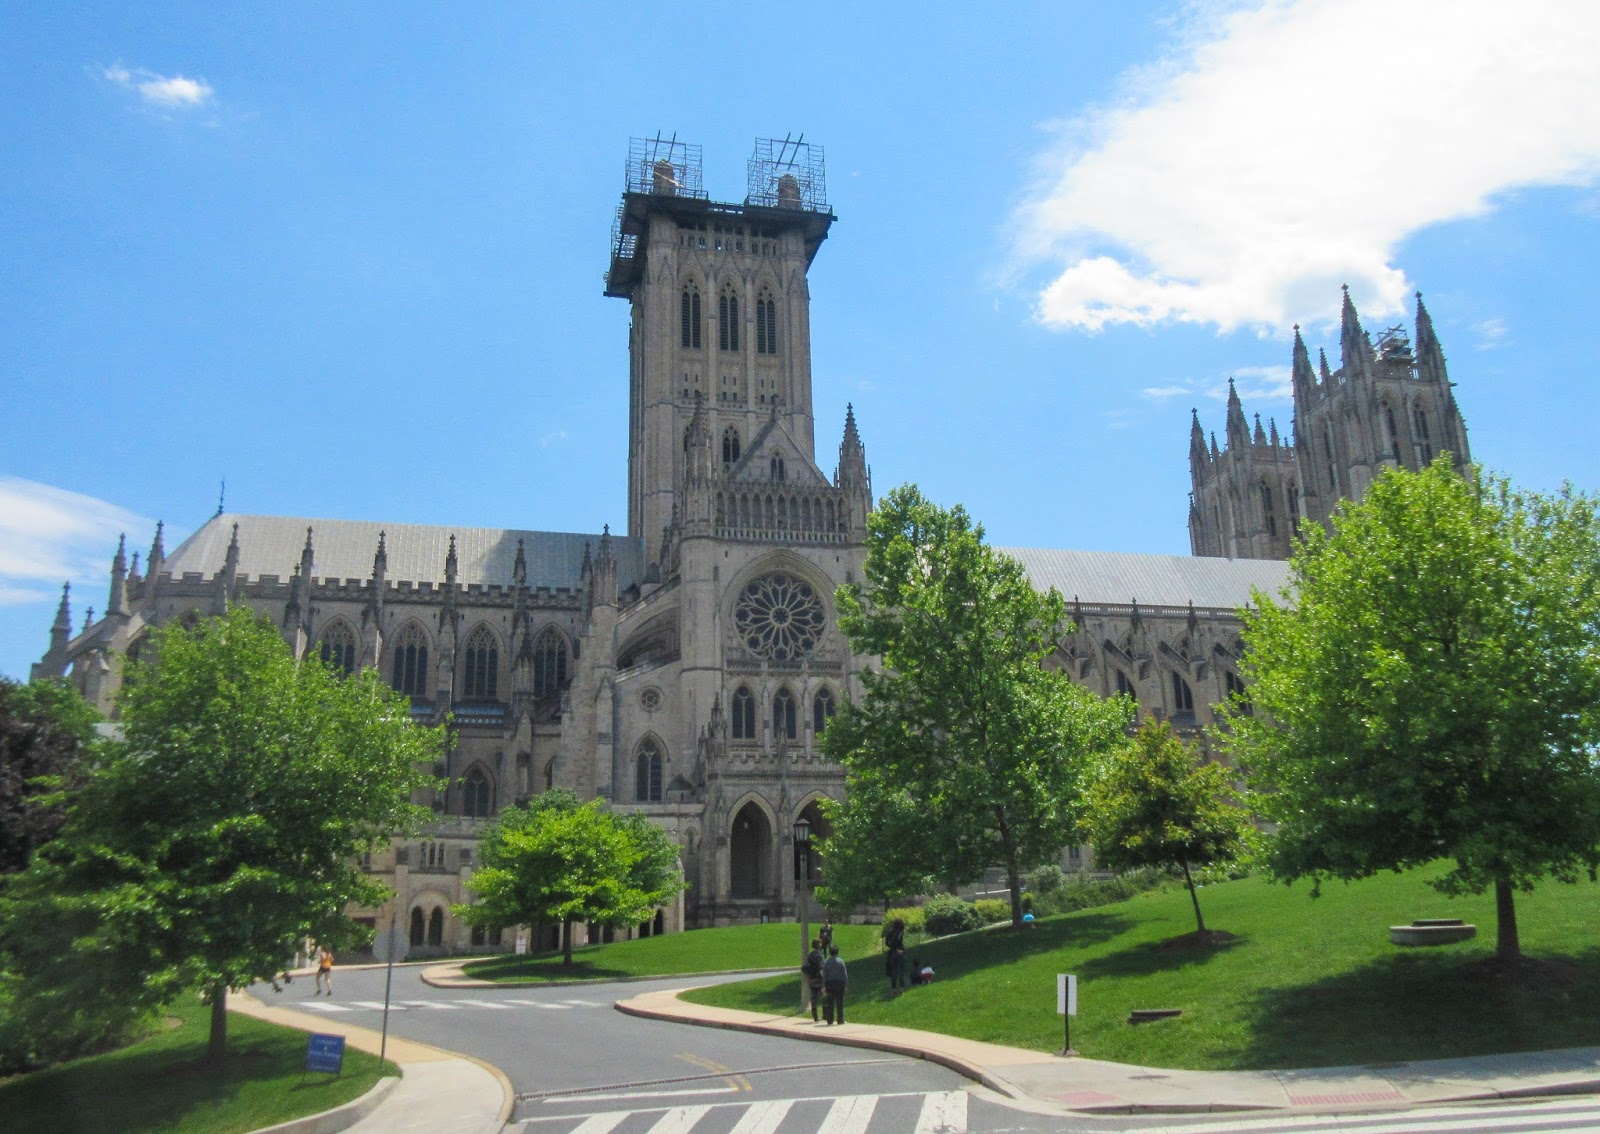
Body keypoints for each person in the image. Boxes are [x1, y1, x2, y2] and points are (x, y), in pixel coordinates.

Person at [821, 944, 848, 1025]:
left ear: (830, 952)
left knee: (830, 1003)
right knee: (840, 1003)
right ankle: (840, 1019)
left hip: (829, 984)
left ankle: (830, 1020)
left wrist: (823, 985)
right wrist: (845, 984)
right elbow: (844, 974)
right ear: (837, 952)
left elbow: (824, 974)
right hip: (839, 983)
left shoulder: (826, 962)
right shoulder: (840, 961)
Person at [803, 938, 826, 1021]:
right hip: (819, 979)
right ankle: (825, 1015)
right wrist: (824, 979)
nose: (821, 944)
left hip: (812, 979)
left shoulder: (810, 955)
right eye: (820, 943)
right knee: (824, 997)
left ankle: (815, 1016)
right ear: (818, 945)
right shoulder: (819, 955)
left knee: (814, 998)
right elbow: (821, 968)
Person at [884, 917, 907, 989]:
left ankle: (893, 989)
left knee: (894, 972)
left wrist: (892, 948)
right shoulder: (900, 932)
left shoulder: (890, 931)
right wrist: (898, 949)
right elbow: (898, 941)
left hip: (892, 953)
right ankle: (901, 987)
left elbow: (886, 942)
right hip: (900, 952)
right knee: (900, 971)